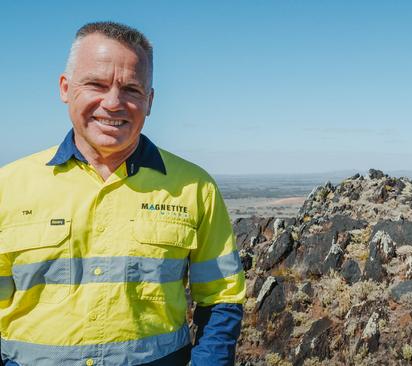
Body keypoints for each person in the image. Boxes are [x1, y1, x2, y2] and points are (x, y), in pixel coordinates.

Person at [0, 21, 245, 365]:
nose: (113, 103)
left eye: (131, 89)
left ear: (150, 100)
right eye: (96, 84)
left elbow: (222, 298)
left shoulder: (195, 188)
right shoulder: (8, 186)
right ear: (65, 88)